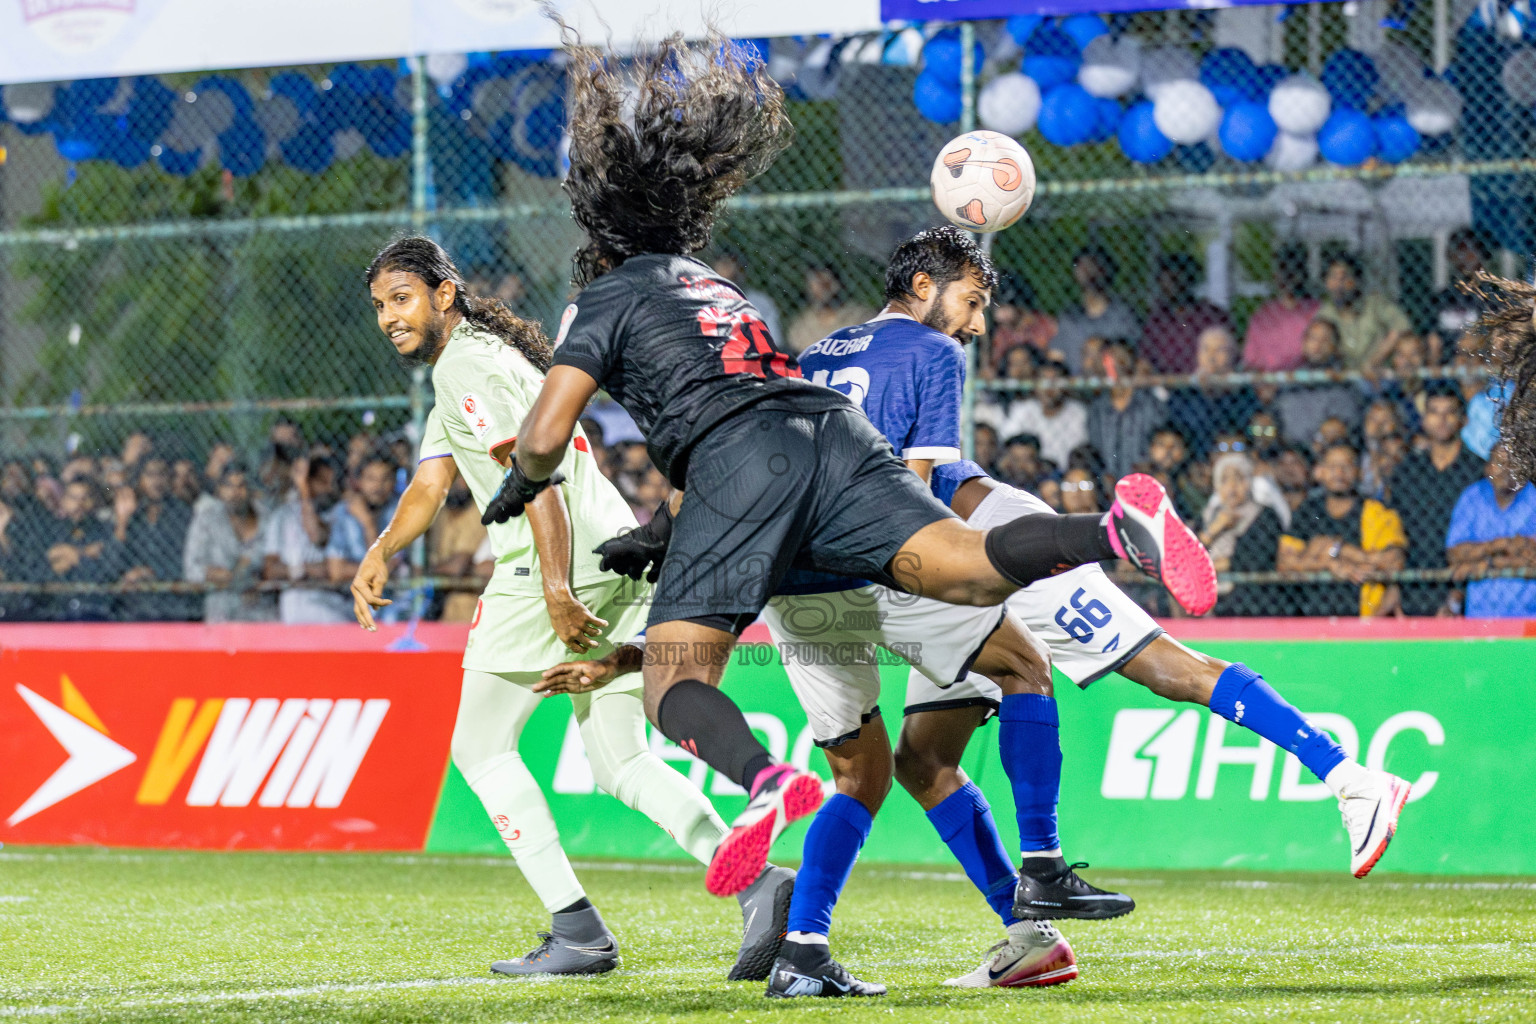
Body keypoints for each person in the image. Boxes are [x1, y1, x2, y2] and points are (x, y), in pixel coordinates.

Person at [501, 28, 1215, 998]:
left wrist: (524, 483)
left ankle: (759, 784)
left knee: (689, 687)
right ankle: (1111, 532)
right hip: (830, 439)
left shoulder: (607, 294)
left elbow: (551, 431)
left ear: (602, 225)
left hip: (764, 515)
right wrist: (664, 533)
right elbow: (757, 410)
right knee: (965, 568)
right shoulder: (722, 289)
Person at [353, 236, 792, 982]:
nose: (390, 317)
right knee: (622, 761)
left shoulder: (467, 364)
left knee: (480, 749)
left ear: (444, 294)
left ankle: (576, 929)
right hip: (617, 554)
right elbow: (430, 486)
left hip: (548, 568)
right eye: (380, 307)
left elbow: (540, 479)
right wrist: (382, 550)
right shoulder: (480, 362)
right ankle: (756, 879)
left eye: (402, 298)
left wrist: (554, 588)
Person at [1278, 442, 1406, 617]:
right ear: (1320, 472)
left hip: (1365, 615)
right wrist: (1330, 565)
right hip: (1312, 617)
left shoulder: (1376, 511)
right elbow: (1285, 563)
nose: (1339, 473)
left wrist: (1337, 549)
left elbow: (1394, 562)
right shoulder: (1308, 511)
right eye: (1332, 466)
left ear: (1359, 473)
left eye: (1346, 466)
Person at [1389, 384, 1486, 615]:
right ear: (1424, 420)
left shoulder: (1478, 471)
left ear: (1463, 419)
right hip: (1413, 580)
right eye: (1434, 412)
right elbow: (1395, 528)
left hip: (1465, 582)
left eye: (1449, 412)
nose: (1441, 420)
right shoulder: (1407, 471)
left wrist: (1455, 597)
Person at [1446, 442, 1536, 616]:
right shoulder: (1472, 497)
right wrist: (1501, 545)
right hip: (1481, 615)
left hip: (1529, 617)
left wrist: (1488, 562)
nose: (1506, 469)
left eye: (1513, 463)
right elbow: (1455, 554)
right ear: (1487, 468)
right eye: (1499, 462)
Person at [262, 455, 352, 624]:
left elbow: (318, 537)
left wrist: (317, 570)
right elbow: (270, 569)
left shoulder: (341, 513)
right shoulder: (282, 515)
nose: (329, 489)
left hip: (335, 602)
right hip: (296, 601)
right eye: (322, 482)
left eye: (333, 483)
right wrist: (306, 570)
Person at [183, 463, 276, 622]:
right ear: (219, 490)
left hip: (263, 616)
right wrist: (224, 576)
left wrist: (258, 578)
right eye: (228, 486)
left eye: (241, 486)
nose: (235, 493)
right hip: (222, 616)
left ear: (251, 490)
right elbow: (191, 569)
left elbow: (278, 564)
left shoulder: (269, 520)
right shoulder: (206, 519)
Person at [1201, 452, 1287, 616]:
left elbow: (1256, 560)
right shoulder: (1209, 515)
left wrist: (1206, 568)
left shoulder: (1264, 515)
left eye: (1239, 478)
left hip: (1249, 596)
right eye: (1225, 480)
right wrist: (1215, 529)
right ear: (1217, 486)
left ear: (1249, 483)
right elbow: (1189, 553)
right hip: (1208, 590)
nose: (1232, 486)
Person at [116, 456, 195, 621]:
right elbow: (114, 563)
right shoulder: (134, 517)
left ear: (169, 479)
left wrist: (149, 572)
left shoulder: (183, 515)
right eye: (150, 475)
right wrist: (122, 522)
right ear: (140, 480)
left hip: (171, 606)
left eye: (161, 474)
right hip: (135, 607)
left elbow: (185, 562)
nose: (156, 481)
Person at [1167, 326, 1258, 458]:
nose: (1211, 355)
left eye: (1220, 350)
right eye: (1206, 349)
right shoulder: (1182, 393)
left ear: (1232, 355)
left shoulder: (1245, 393)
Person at [1050, 246, 1141, 374]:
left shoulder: (1122, 314)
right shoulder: (1069, 318)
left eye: (1093, 264)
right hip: (1076, 387)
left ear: (1105, 270)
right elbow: (1055, 356)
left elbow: (1131, 355)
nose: (1087, 270)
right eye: (1081, 266)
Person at [1274, 319, 1362, 446]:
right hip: (1287, 451)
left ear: (1335, 347)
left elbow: (1344, 425)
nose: (1317, 345)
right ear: (1304, 343)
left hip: (1326, 451)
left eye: (1325, 340)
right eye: (1313, 338)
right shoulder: (1290, 380)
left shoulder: (1343, 383)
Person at [1087, 340, 1166, 480]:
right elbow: (1095, 447)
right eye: (1109, 359)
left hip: (1144, 479)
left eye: (1121, 358)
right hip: (1106, 482)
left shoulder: (1149, 404)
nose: (1116, 364)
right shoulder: (1097, 409)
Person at [1316, 252, 1410, 370]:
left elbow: (1402, 326)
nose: (1339, 284)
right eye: (1333, 277)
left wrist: (1374, 361)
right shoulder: (1325, 314)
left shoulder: (1374, 304)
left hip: (1378, 376)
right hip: (1343, 378)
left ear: (1356, 280)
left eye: (1345, 277)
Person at [1140, 252, 1232, 374]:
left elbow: (1229, 357)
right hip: (1165, 386)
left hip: (1205, 383)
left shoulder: (1212, 315)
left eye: (1177, 277)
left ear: (1191, 279)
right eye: (1167, 278)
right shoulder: (1157, 319)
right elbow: (1144, 360)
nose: (1172, 284)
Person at [999, 359, 1088, 470]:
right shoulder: (1022, 410)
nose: (1049, 388)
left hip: (1066, 473)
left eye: (1055, 381)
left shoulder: (1078, 413)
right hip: (1030, 474)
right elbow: (1008, 445)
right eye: (1044, 381)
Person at [1242, 243, 1318, 372]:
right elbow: (1251, 362)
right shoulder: (1263, 316)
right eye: (1284, 269)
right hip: (1268, 383)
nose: (1290, 275)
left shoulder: (1316, 312)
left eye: (1296, 269)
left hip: (1306, 382)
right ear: (1276, 275)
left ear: (1305, 273)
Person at [428, 475, 490, 622]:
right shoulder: (441, 512)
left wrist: (427, 571)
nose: (458, 483)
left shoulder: (479, 510)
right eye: (454, 477)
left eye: (462, 477)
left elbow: (457, 567)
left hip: (470, 605)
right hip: (441, 605)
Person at [784, 264, 875, 355]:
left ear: (838, 284)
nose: (822, 287)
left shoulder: (860, 316)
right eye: (816, 283)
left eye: (826, 281)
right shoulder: (801, 325)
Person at [986, 271, 1056, 375]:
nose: (998, 316)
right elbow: (993, 365)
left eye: (1004, 307)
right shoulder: (1000, 332)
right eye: (995, 308)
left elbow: (1054, 359)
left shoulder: (1044, 325)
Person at [711, 249, 783, 343]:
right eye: (722, 264)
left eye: (728, 264)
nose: (724, 271)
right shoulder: (707, 301)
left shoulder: (759, 301)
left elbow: (774, 340)